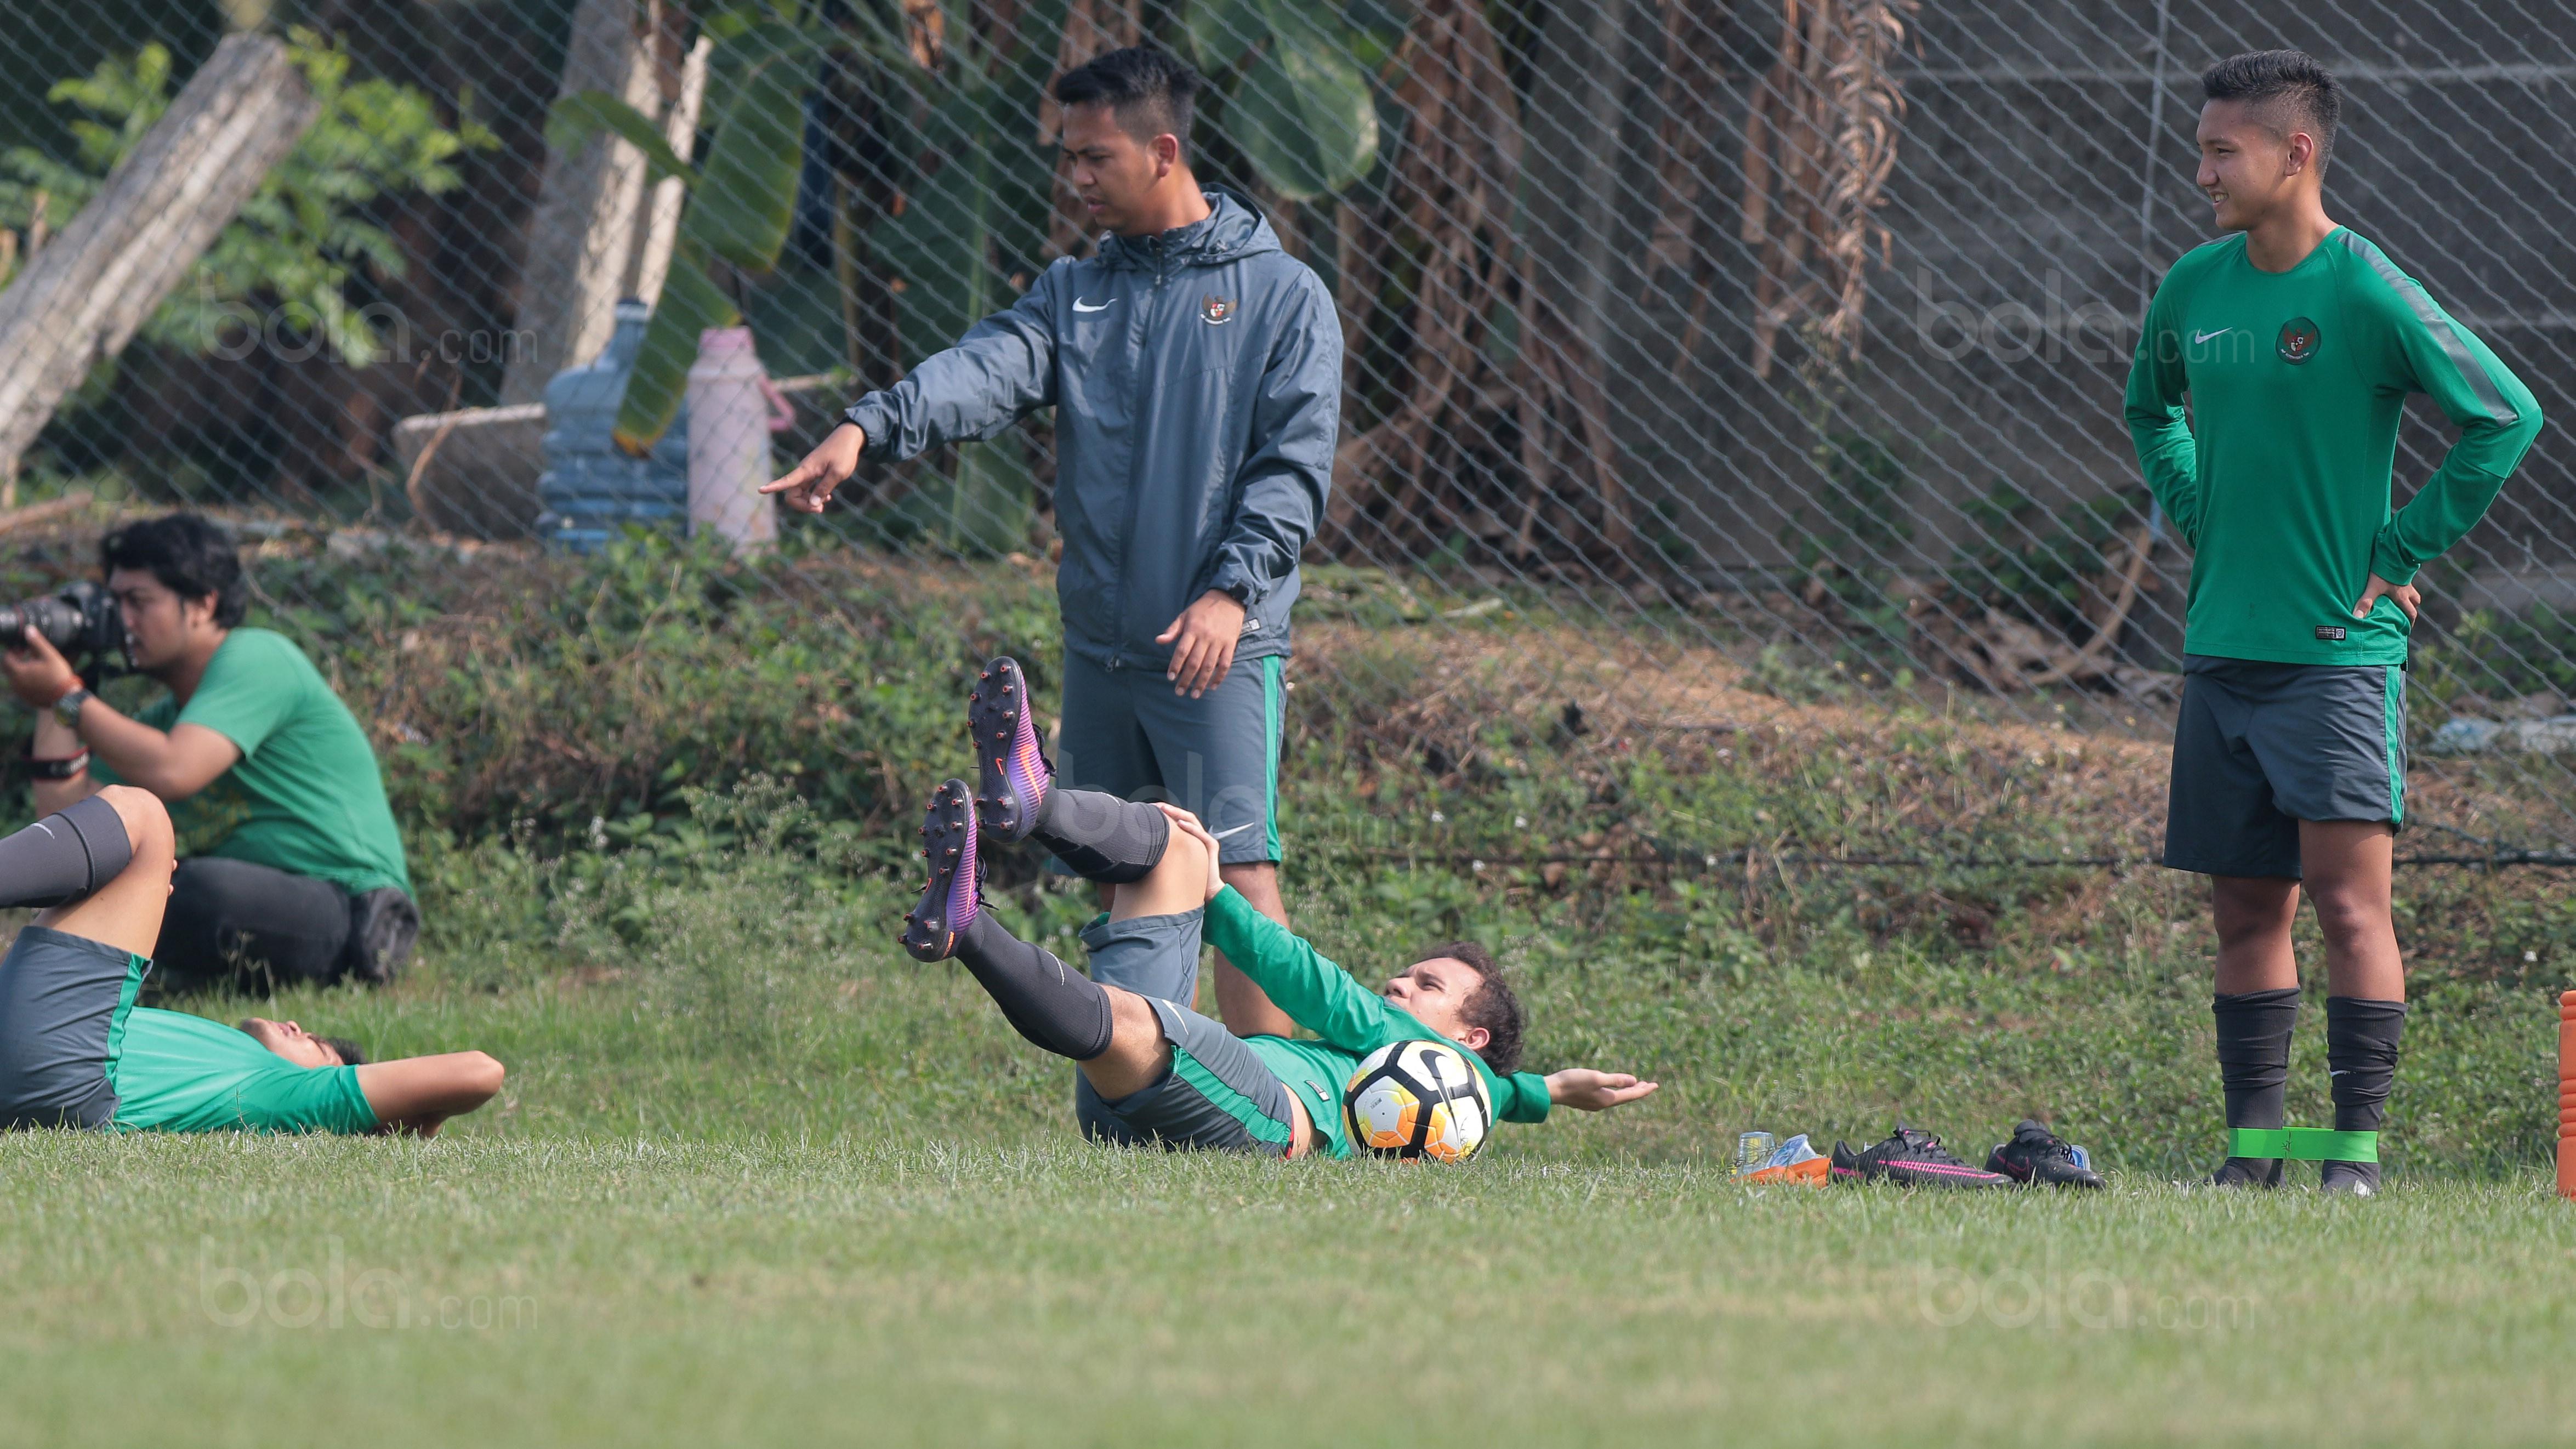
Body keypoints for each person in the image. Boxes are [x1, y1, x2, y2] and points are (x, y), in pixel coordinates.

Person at [767, 45, 1339, 1041]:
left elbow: (1291, 473)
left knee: (1237, 873)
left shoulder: (1281, 297)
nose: (1074, 180)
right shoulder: (1075, 288)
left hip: (1217, 645)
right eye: (1065, 158)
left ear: (1163, 151)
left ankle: (1277, 1100)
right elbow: (985, 368)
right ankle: (1153, 1092)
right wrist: (867, 425)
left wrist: (1230, 592)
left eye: (1094, 159)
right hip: (1102, 644)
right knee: (1129, 865)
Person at [2124, 52, 2544, 1195]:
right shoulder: (2193, 288)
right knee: (2243, 910)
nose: (2201, 170)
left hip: (2334, 661)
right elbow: (2148, 405)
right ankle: (2252, 1154)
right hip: (2222, 657)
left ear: (2294, 152)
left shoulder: (2365, 290)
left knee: (2352, 906)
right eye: (2202, 147)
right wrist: (2196, 500)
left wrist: (2399, 548)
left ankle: (2350, 1155)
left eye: (2224, 151)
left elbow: (2505, 416)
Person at [898, 658, 1657, 1157]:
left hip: (1259, 1113)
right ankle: (1032, 803)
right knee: (1178, 844)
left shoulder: (1437, 1069)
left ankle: (968, 927)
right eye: (1406, 973)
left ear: (1469, 1035)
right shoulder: (1463, 1085)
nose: (1397, 986)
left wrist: (1221, 905)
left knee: (1141, 1009)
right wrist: (1551, 1090)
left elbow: (1315, 988)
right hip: (1157, 1093)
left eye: (1428, 986)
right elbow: (1503, 1088)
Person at [2, 513, 419, 993]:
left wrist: (69, 697)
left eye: (137, 601)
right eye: (113, 603)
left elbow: (175, 769)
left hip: (354, 909)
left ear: (202, 604)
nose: (122, 621)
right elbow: (65, 822)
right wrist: (53, 695)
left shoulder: (260, 657)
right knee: (118, 885)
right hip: (260, 905)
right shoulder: (167, 718)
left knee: (196, 891)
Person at [0, 786, 502, 1135]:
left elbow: (480, 1072)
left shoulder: (294, 1093)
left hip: (68, 1080)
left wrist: (409, 1119)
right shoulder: (217, 1053)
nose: (298, 1025)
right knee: (126, 862)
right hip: (44, 1061)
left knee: (144, 815)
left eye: (320, 1047)